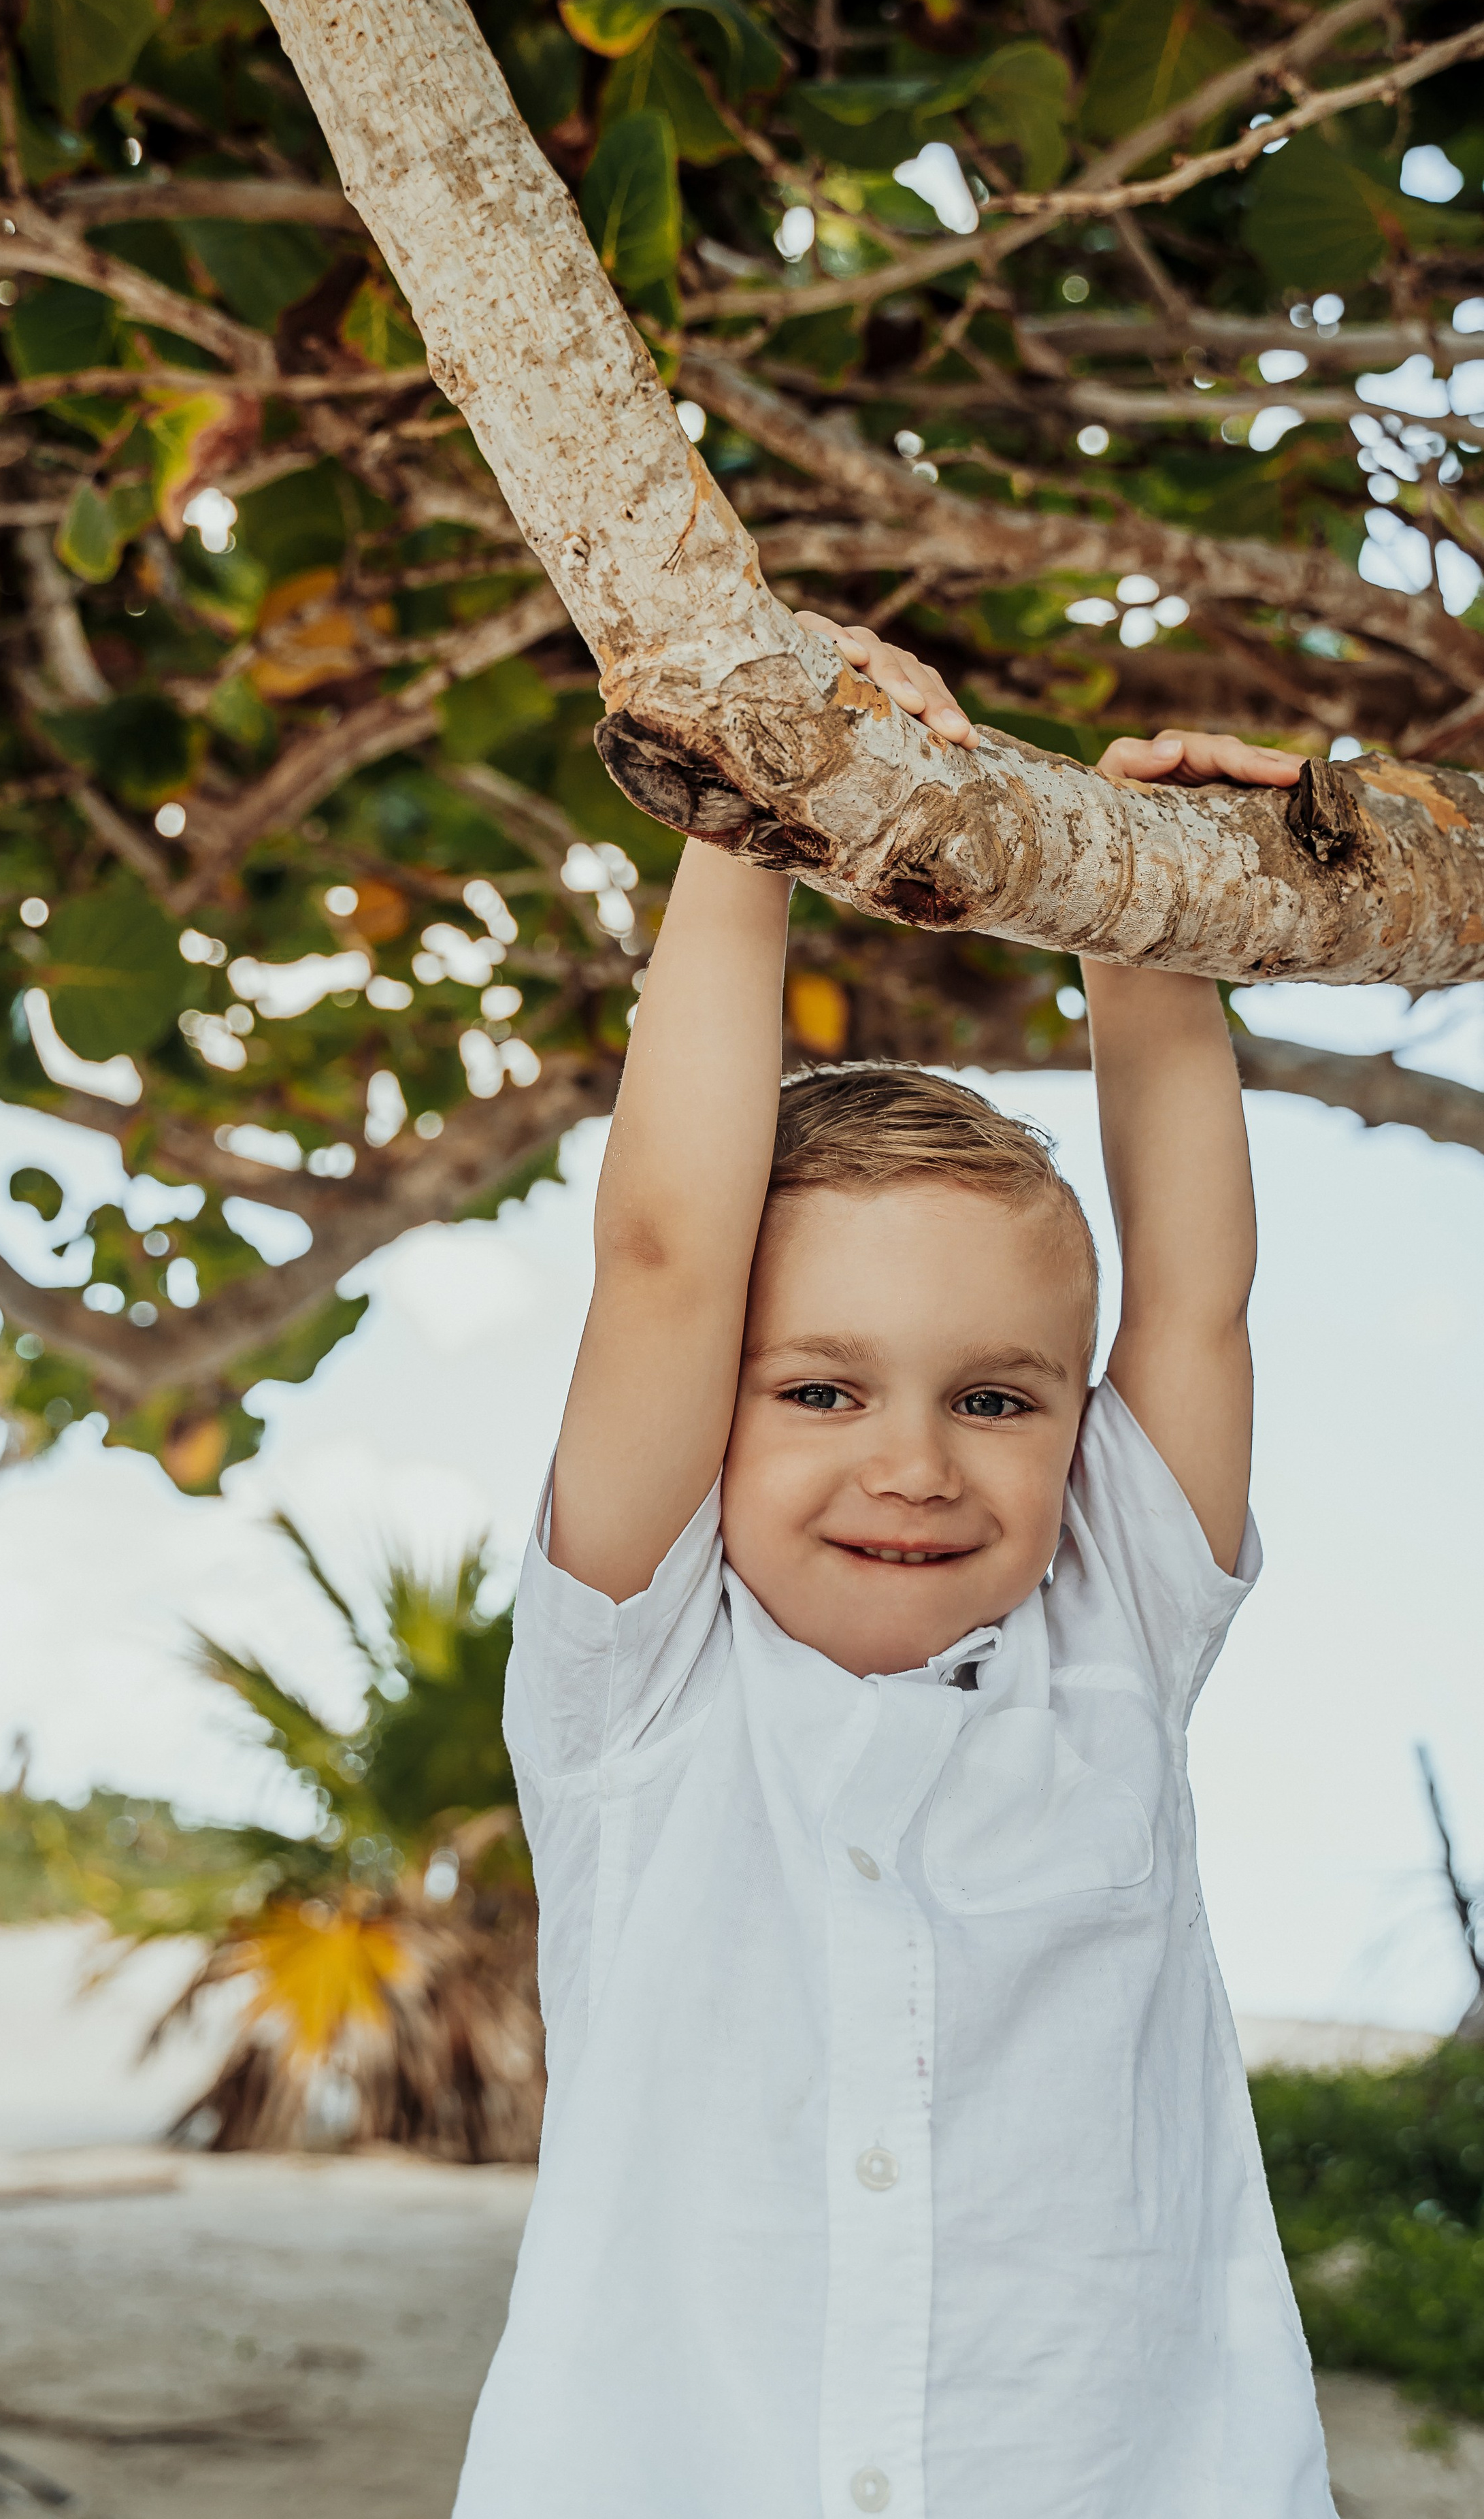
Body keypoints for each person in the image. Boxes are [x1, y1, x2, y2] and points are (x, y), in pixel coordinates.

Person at [452, 621, 1336, 2519]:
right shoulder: (638, 1683)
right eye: (824, 1385)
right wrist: (754, 797)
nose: (916, 1463)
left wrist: (1150, 902)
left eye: (1003, 1397)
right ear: (718, 1401)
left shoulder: (1110, 1629)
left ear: (1078, 1427)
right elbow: (672, 1250)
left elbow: (1196, 1297)